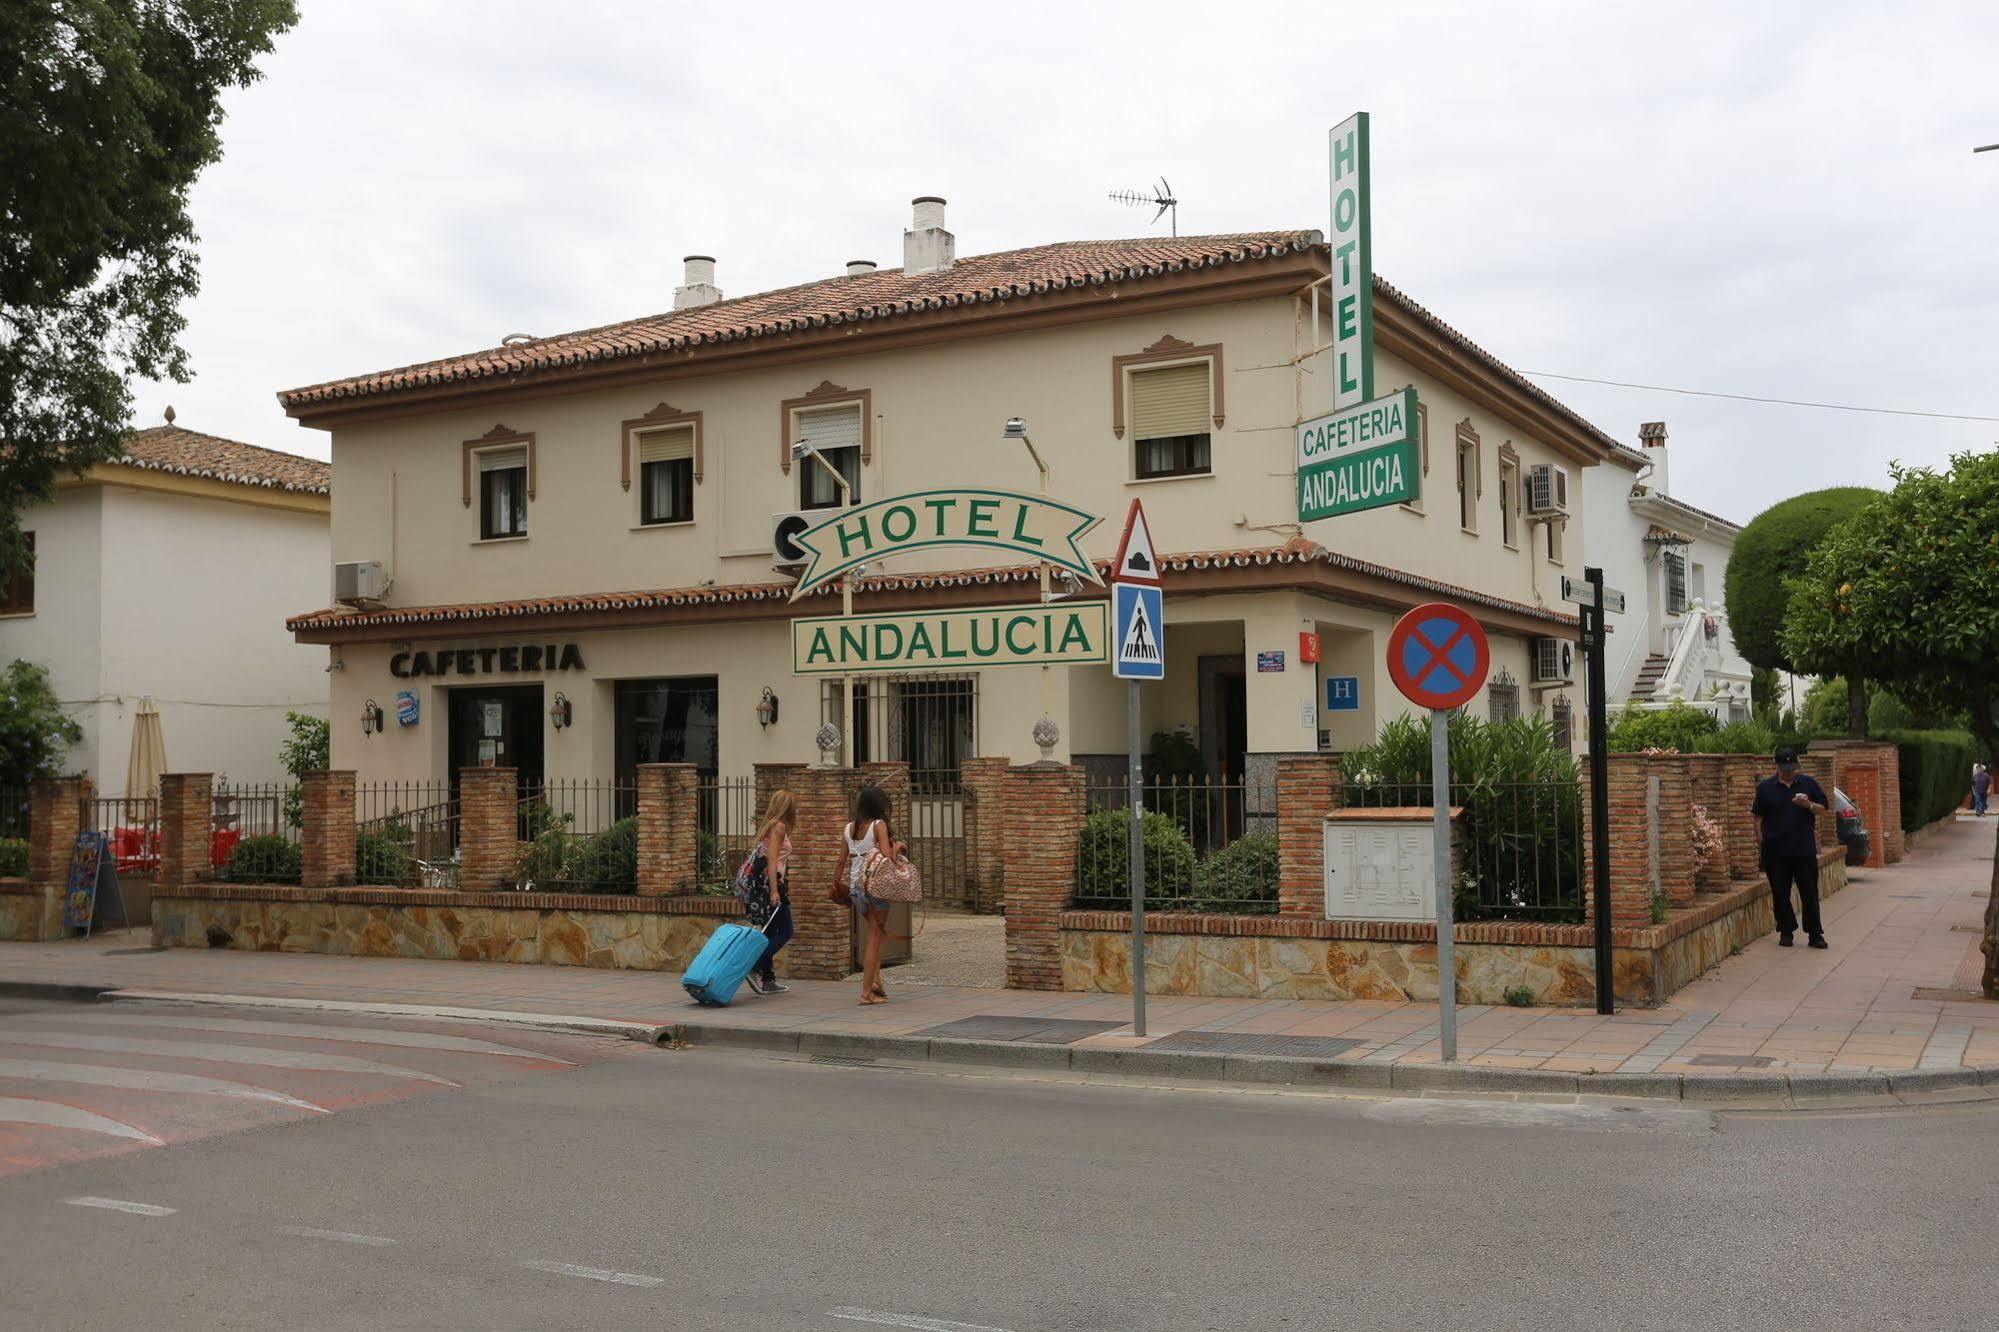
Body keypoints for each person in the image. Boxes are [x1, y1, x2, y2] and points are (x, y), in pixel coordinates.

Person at [1752, 746, 1831, 949]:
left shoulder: (1808, 783)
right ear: (1776, 766)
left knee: (1810, 893)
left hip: (1803, 850)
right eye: (1785, 768)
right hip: (1775, 852)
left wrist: (1809, 806)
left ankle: (1815, 934)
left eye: (1792, 767)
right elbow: (1758, 817)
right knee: (1780, 893)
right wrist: (1762, 841)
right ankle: (1786, 930)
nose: (1789, 771)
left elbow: (1824, 808)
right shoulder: (1765, 788)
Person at [841, 784, 900, 1006]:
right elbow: (886, 855)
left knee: (877, 932)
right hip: (874, 887)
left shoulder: (848, 828)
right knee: (874, 938)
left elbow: (840, 861)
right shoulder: (879, 825)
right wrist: (898, 847)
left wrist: (836, 885)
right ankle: (866, 993)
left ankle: (876, 980)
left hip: (856, 888)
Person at [741, 791, 796, 995]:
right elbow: (772, 861)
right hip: (770, 886)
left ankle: (768, 979)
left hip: (766, 884)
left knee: (770, 933)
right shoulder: (779, 827)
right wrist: (774, 891)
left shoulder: (771, 825)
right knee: (786, 931)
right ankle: (753, 966)